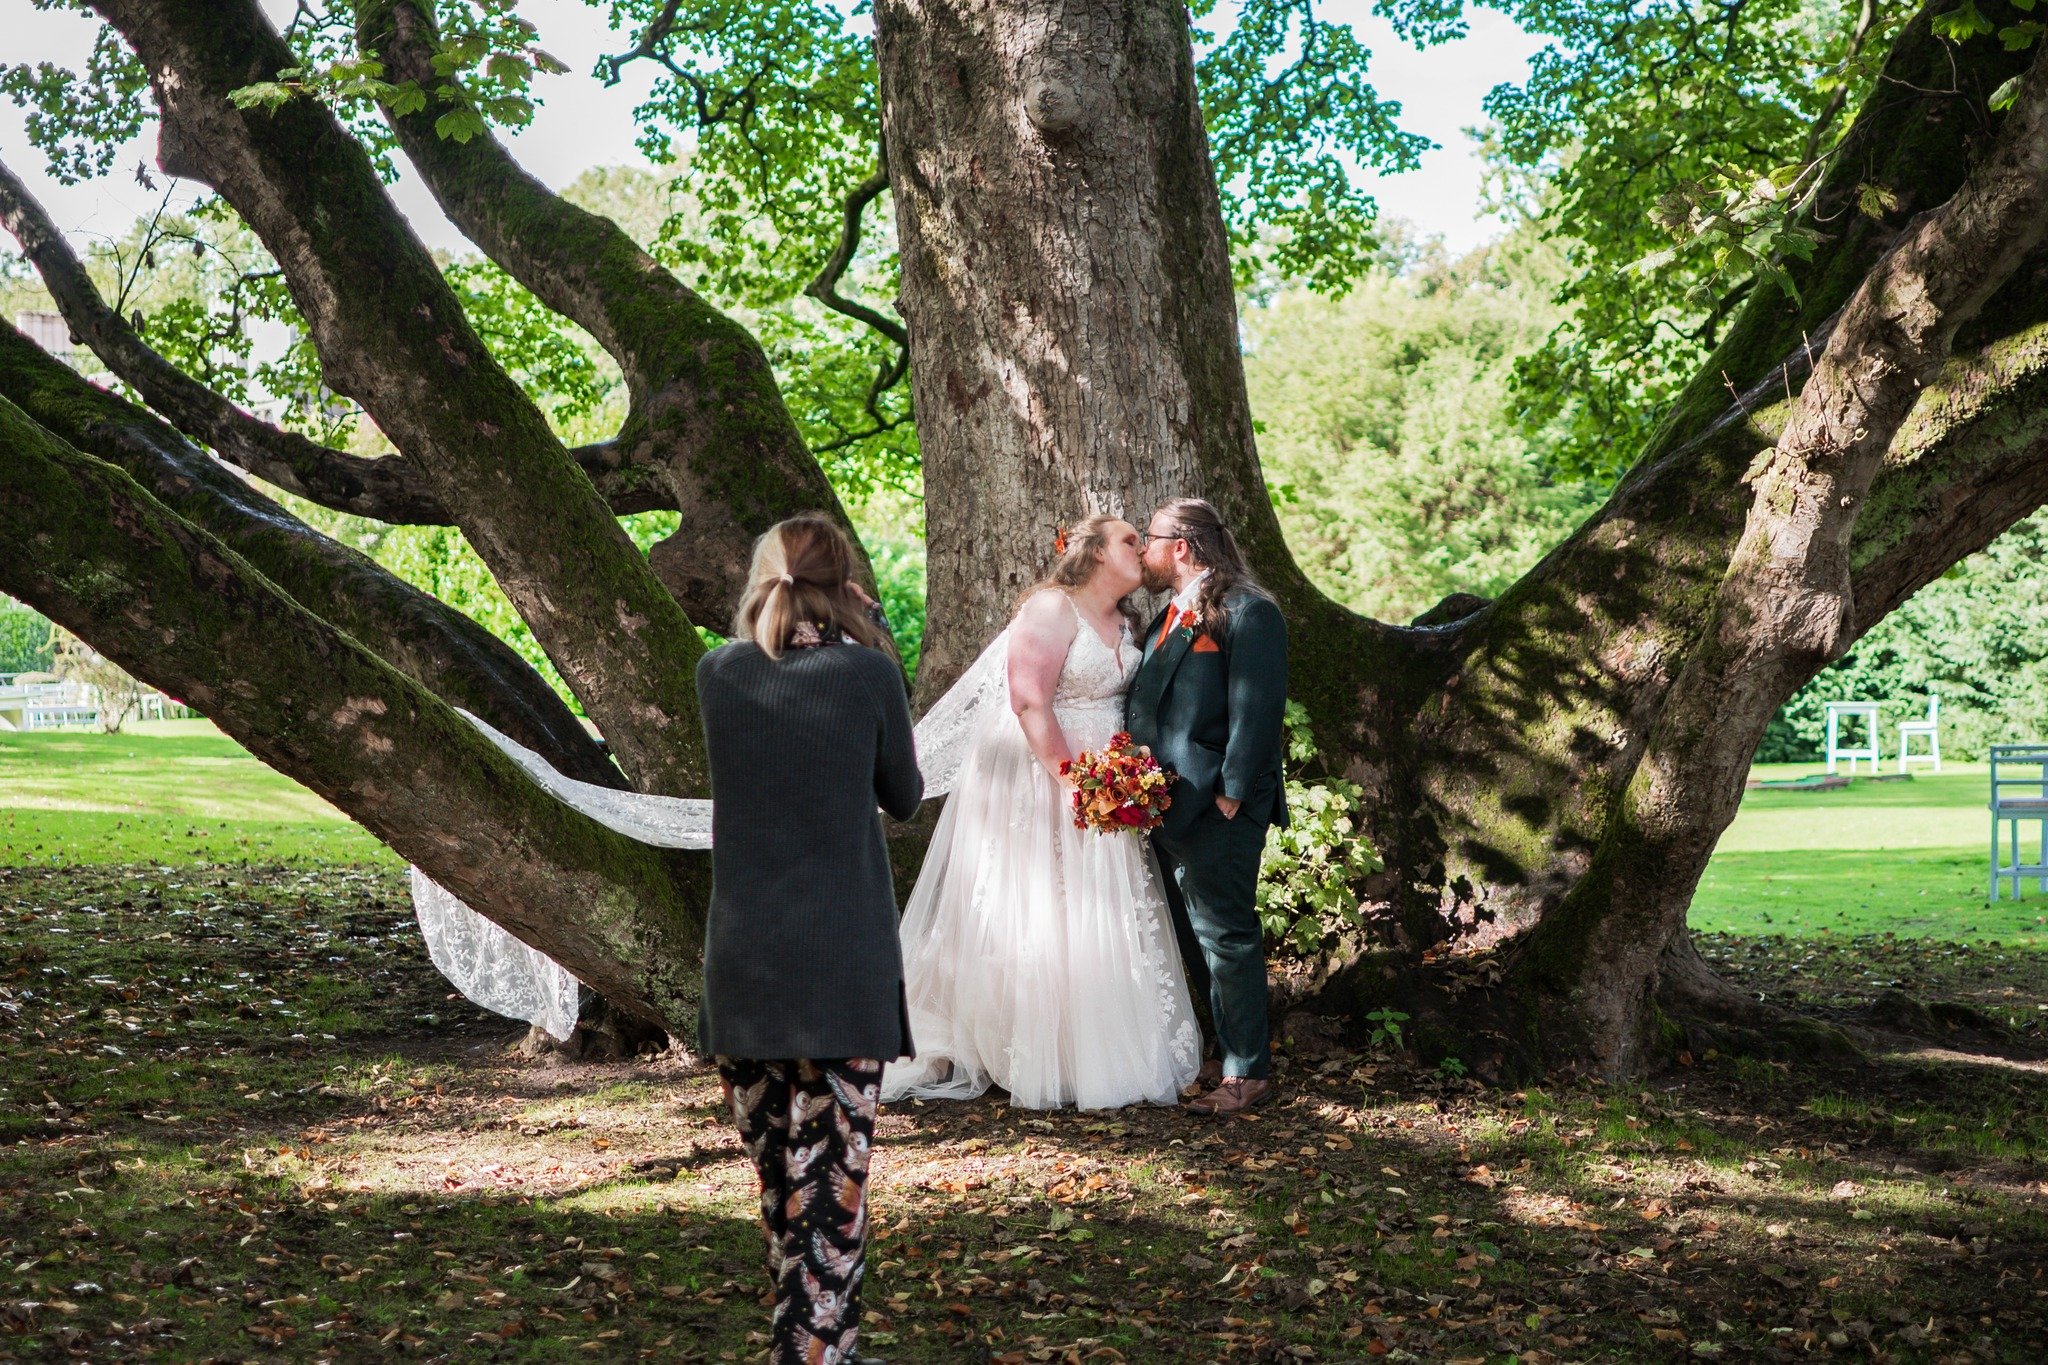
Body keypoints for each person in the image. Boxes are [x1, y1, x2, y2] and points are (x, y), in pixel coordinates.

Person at [695, 514, 923, 1365]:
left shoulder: (717, 674)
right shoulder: (865, 674)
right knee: (831, 1196)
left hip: (744, 966)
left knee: (787, 1192)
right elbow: (903, 792)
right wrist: (880, 633)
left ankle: (834, 1346)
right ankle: (810, 1354)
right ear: (843, 583)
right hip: (841, 967)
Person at [881, 513, 1202, 1110]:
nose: (1142, 549)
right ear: (1098, 553)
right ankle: (1028, 1048)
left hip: (1110, 788)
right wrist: (1076, 783)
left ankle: (1092, 1049)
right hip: (1048, 783)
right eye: (1130, 540)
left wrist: (1119, 785)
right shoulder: (1052, 610)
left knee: (1096, 913)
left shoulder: (1126, 621)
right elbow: (1029, 701)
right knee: (1044, 910)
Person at [1126, 497, 1289, 1116]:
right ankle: (1223, 1056)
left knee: (1227, 936)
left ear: (1183, 547)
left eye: (1151, 538)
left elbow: (1258, 710)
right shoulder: (1167, 614)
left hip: (1220, 807)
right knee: (1195, 939)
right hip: (1166, 806)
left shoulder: (1251, 613)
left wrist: (1232, 793)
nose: (1144, 550)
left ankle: (1249, 1074)